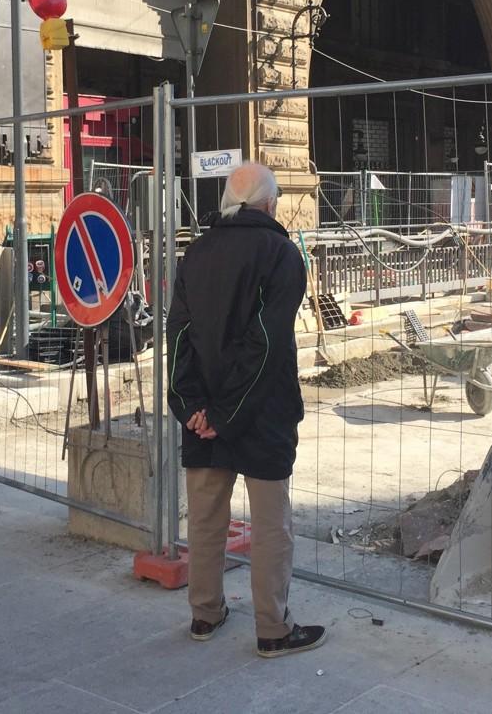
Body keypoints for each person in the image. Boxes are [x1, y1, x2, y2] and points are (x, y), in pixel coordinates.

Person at [167, 163, 326, 658]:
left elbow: (178, 336)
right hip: (261, 411)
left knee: (206, 520)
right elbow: (267, 342)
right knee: (270, 526)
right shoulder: (281, 254)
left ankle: (204, 613)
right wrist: (226, 412)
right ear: (270, 204)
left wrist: (192, 405)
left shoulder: (195, 252)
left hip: (204, 418)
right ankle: (272, 629)